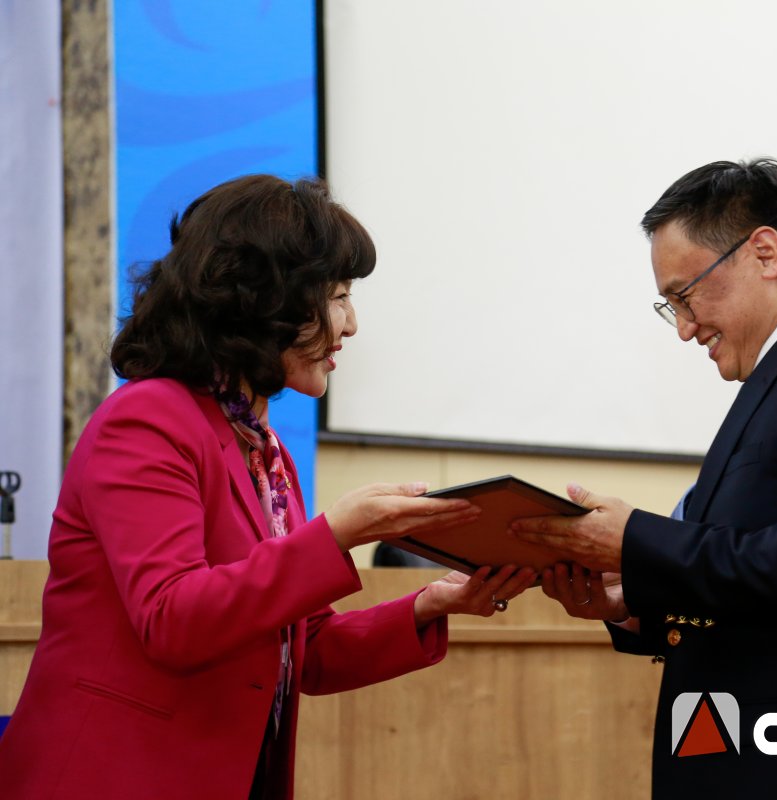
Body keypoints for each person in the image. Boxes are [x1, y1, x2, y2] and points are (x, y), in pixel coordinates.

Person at [0, 175, 536, 800]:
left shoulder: (264, 450)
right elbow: (172, 618)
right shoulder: (147, 419)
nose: (352, 324)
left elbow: (305, 651)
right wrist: (336, 534)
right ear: (265, 301)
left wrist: (431, 605)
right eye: (338, 296)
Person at [513, 159, 777, 798]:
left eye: (686, 295)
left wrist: (638, 541)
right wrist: (636, 603)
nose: (685, 328)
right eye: (671, 307)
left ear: (764, 253)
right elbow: (770, 589)